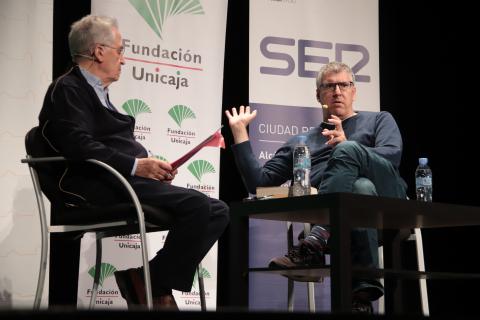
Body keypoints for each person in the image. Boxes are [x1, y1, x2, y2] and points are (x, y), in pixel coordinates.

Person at [37, 15, 229, 310]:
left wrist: (152, 167)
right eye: (120, 50)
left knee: (218, 210)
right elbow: (79, 145)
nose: (124, 60)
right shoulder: (68, 89)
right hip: (93, 187)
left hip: (121, 179)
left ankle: (146, 279)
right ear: (99, 51)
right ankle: (153, 286)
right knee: (197, 206)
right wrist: (137, 166)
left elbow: (113, 144)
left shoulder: (99, 93)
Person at [225, 61, 407, 313]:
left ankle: (315, 240)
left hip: (387, 207)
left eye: (344, 84)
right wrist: (239, 134)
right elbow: (258, 185)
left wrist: (348, 144)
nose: (337, 91)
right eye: (329, 86)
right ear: (318, 95)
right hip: (344, 221)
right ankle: (361, 293)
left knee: (350, 152)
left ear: (354, 90)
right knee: (360, 186)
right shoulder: (301, 142)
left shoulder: (378, 120)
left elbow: (392, 157)